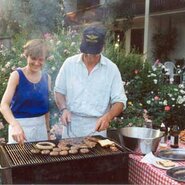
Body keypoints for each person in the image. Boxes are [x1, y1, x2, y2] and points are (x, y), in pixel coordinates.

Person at [54, 26, 127, 138]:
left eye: (94, 52)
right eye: (87, 51)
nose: (90, 56)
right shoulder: (69, 64)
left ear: (102, 47)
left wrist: (108, 117)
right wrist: (63, 109)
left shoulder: (111, 69)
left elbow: (120, 101)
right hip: (71, 124)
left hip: (97, 127)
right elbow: (59, 91)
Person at [0, 39, 51, 145]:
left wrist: (48, 131)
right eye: (33, 58)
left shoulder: (47, 78)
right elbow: (4, 105)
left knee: (42, 161)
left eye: (41, 59)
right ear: (26, 55)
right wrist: (15, 125)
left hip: (41, 129)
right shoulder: (17, 76)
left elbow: (46, 109)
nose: (37, 63)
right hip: (19, 129)